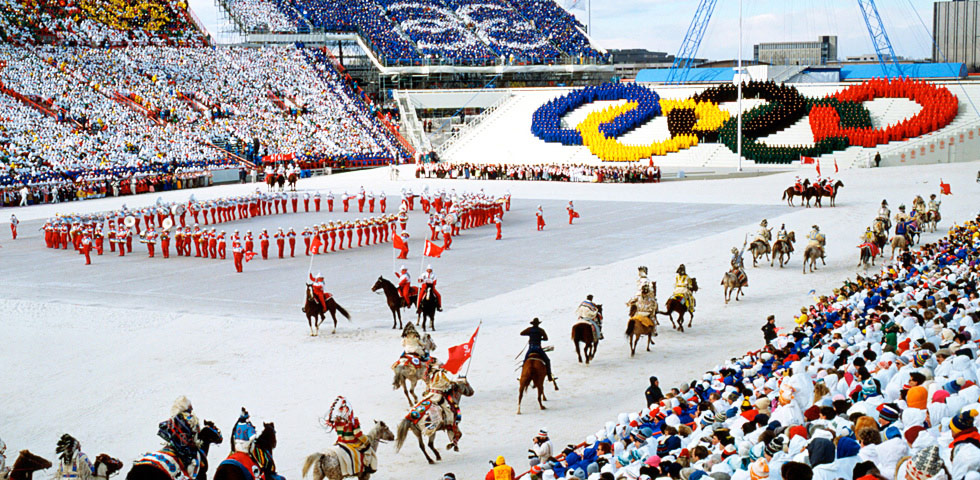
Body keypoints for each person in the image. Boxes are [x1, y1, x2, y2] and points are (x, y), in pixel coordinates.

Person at [324, 396, 376, 474]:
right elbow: (357, 434)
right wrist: (366, 440)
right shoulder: (353, 421)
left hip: (341, 442)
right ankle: (366, 468)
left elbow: (339, 432)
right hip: (352, 443)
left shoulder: (337, 422)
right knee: (367, 450)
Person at [521, 318, 556, 385]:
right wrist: (540, 338)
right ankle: (549, 376)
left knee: (525, 361)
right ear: (538, 324)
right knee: (547, 361)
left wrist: (530, 335)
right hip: (538, 348)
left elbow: (521, 333)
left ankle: (523, 376)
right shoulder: (541, 330)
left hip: (531, 348)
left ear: (532, 324)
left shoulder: (529, 329)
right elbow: (546, 338)